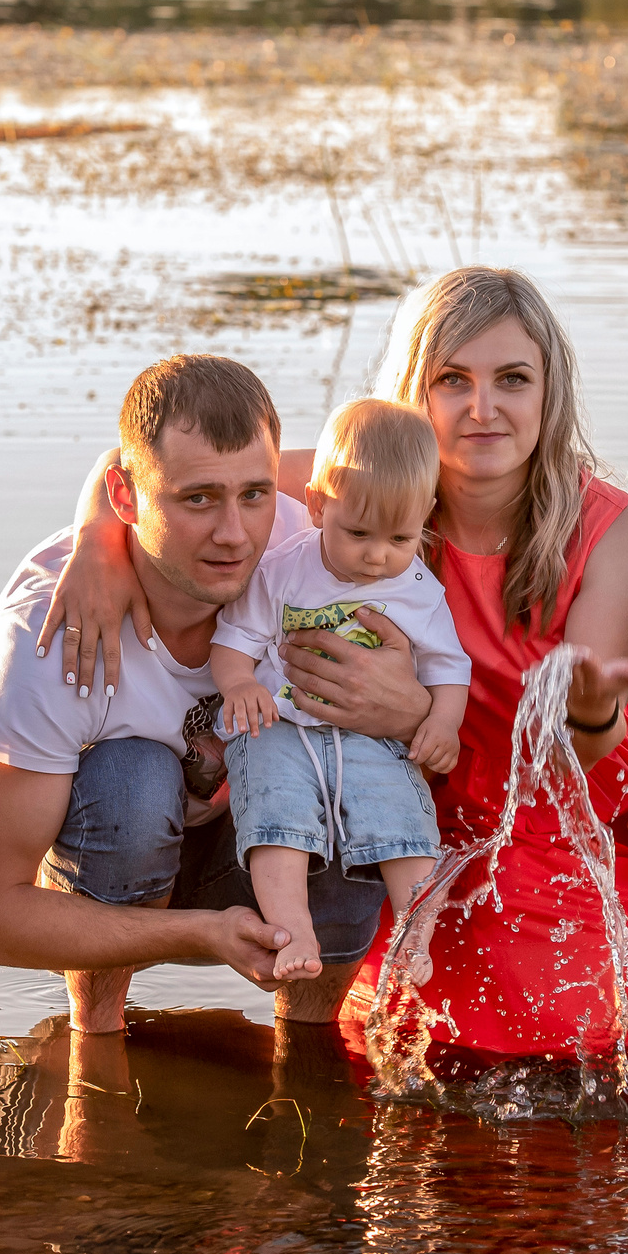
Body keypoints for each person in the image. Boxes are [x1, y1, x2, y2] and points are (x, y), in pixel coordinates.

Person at [48, 266, 628, 1058]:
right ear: (413, 393)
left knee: (581, 1022)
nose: (483, 408)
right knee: (398, 1015)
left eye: (512, 379)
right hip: (396, 779)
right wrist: (98, 545)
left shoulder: (615, 535)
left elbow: (571, 754)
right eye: (452, 380)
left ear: (549, 392)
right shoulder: (361, 478)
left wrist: (418, 715)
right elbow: (150, 468)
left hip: (564, 801)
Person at [0, 355, 432, 1035]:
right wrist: (203, 932)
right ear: (126, 499)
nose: (235, 535)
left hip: (267, 838)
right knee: (133, 779)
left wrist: (412, 710)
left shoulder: (317, 546)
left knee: (347, 766)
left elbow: (442, 465)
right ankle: (98, 1037)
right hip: (114, 866)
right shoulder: (53, 632)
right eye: (198, 499)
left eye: (255, 494)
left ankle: (307, 1043)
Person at [210, 399, 473, 981]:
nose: (377, 556)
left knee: (402, 816)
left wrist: (442, 721)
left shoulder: (417, 588)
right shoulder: (284, 568)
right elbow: (235, 638)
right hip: (280, 725)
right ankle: (292, 928)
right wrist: (240, 683)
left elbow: (448, 666)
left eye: (400, 537)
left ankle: (414, 937)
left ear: (426, 516)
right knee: (275, 815)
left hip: (370, 736)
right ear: (317, 505)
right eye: (357, 533)